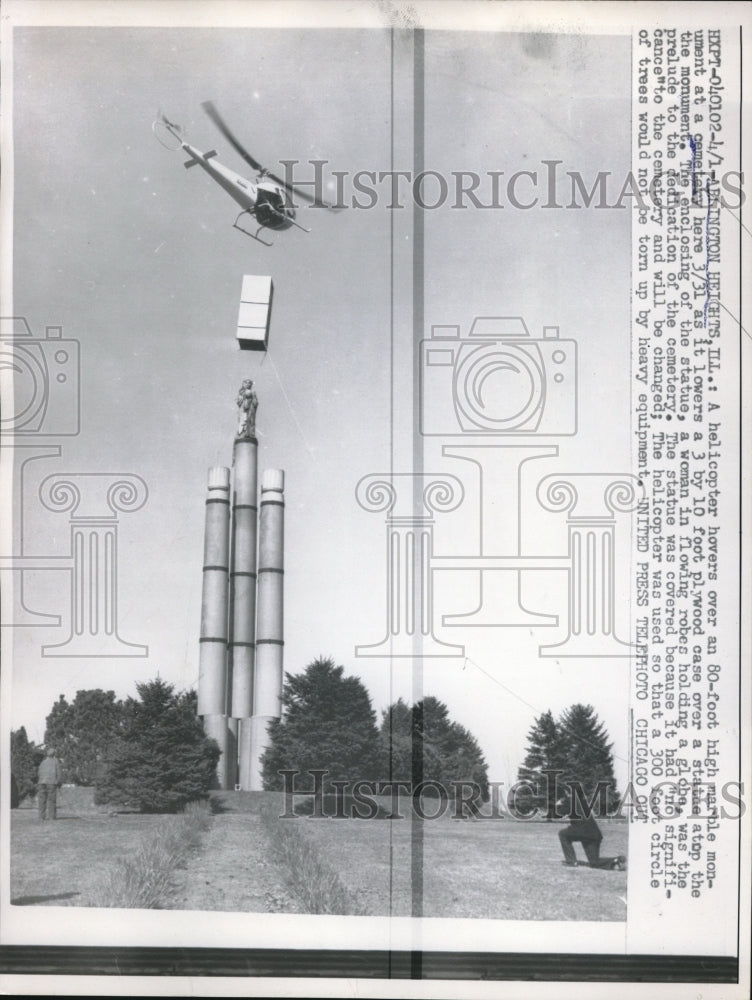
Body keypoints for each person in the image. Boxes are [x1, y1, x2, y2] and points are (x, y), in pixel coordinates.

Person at [559, 813, 626, 870]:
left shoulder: (570, 803)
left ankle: (571, 861)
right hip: (594, 834)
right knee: (594, 863)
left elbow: (561, 811)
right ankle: (617, 860)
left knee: (562, 834)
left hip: (583, 832)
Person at [37, 748, 62, 821]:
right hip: (51, 782)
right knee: (51, 800)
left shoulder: (43, 762)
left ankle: (41, 817)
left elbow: (39, 773)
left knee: (42, 800)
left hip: (41, 782)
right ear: (54, 754)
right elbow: (59, 773)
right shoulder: (56, 762)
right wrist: (59, 782)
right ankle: (51, 817)